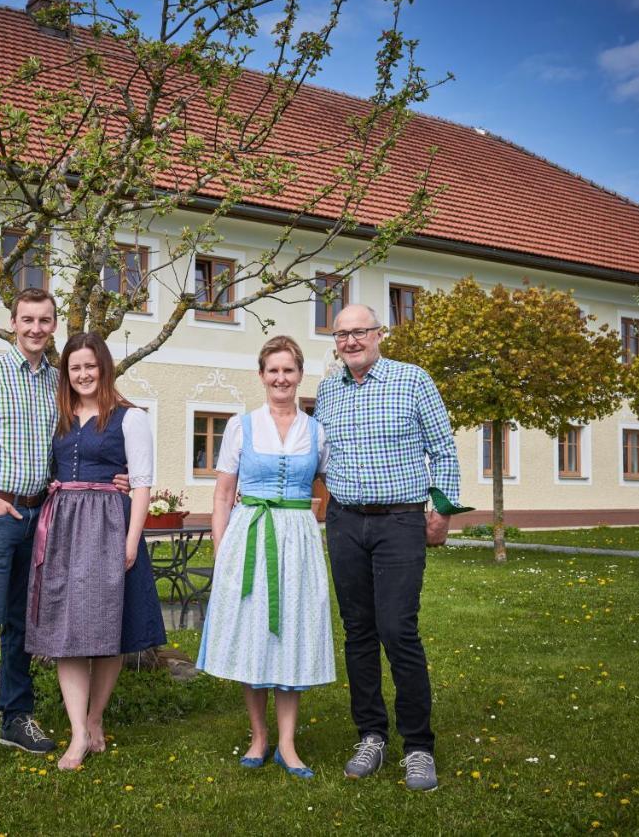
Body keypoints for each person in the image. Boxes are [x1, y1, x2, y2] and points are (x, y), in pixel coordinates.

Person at [0, 289, 130, 778]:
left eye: (45, 320)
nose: (36, 328)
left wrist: (112, 476)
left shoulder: (58, 383)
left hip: (43, 516)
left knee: (26, 624)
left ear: (53, 328)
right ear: (13, 322)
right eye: (28, 319)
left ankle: (16, 716)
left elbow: (78, 446)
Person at [314, 304, 468, 792]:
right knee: (358, 630)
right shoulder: (327, 391)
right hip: (344, 522)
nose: (351, 341)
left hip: (400, 520)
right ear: (335, 342)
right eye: (342, 334)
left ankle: (418, 746)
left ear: (380, 334)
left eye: (360, 331)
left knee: (398, 628)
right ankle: (371, 735)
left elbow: (443, 448)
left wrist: (441, 511)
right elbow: (320, 455)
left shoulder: (412, 380)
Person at [196, 335, 335, 779]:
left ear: (299, 376)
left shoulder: (316, 430)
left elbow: (327, 484)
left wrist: (308, 524)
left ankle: (288, 745)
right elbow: (221, 495)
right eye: (273, 370)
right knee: (253, 636)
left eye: (288, 370)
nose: (281, 378)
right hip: (249, 536)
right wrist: (224, 552)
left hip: (297, 539)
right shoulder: (241, 426)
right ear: (261, 376)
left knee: (292, 634)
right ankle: (259, 737)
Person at [26, 332, 165, 771]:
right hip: (64, 526)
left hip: (109, 525)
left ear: (103, 367)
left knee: (109, 630)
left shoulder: (130, 417)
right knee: (67, 633)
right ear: (66, 374)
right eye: (75, 368)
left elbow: (141, 483)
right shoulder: (61, 416)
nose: (83, 374)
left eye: (90, 366)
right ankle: (77, 734)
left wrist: (130, 540)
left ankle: (95, 716)